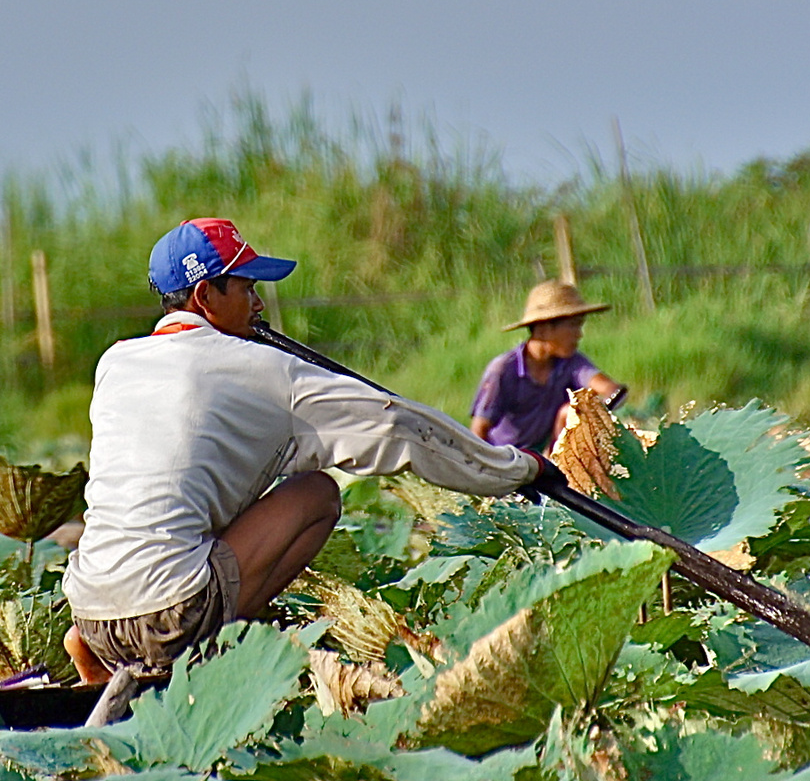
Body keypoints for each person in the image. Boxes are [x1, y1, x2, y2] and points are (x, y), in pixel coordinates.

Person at [62, 217, 563, 688]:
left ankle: (99, 657)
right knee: (318, 494)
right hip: (172, 610)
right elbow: (398, 426)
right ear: (204, 295)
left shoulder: (115, 363)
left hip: (89, 610)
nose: (258, 305)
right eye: (247, 289)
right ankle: (208, 649)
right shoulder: (261, 369)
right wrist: (515, 467)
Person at [469, 281, 626, 452]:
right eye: (573, 326)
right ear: (543, 329)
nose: (579, 334)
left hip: (543, 460)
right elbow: (479, 430)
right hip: (505, 460)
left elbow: (610, 389)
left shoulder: (570, 363)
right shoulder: (504, 370)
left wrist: (573, 411)